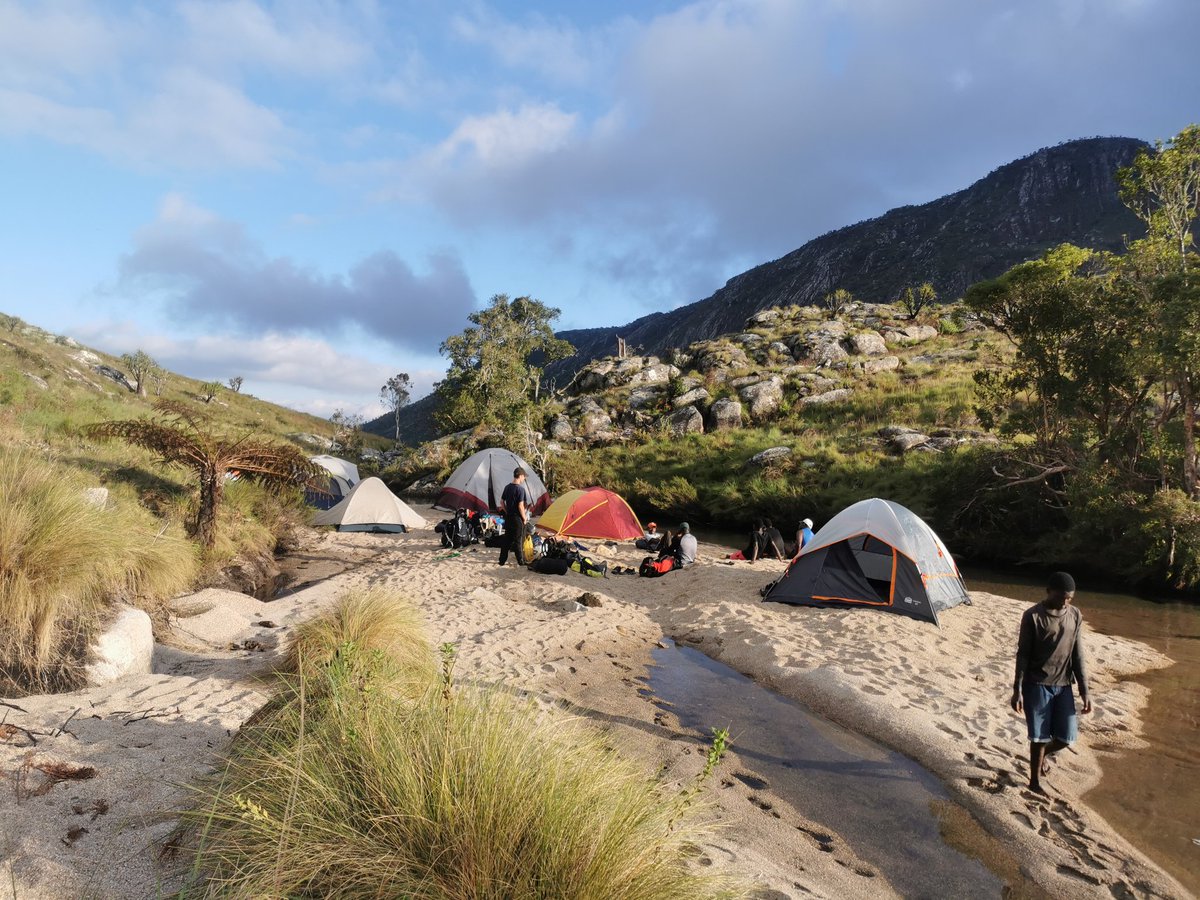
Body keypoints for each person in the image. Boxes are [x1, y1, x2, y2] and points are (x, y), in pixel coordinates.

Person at [1011, 571, 1092, 794]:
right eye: (1061, 597)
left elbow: (1078, 654)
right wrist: (1017, 689)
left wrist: (1085, 690)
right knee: (1038, 737)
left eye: (1069, 598)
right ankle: (1034, 782)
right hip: (1036, 683)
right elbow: (1023, 654)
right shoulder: (1033, 616)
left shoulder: (1075, 615)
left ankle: (1043, 754)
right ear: (1049, 592)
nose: (1065, 602)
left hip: (1064, 684)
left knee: (1067, 737)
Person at [498, 467, 532, 567]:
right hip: (517, 518)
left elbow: (501, 502)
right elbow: (520, 506)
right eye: (524, 477)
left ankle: (502, 560)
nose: (524, 479)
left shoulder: (507, 487)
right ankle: (520, 561)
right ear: (520, 476)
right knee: (518, 539)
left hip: (508, 517)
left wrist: (507, 511)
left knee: (507, 539)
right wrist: (524, 518)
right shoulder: (520, 489)